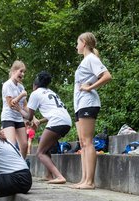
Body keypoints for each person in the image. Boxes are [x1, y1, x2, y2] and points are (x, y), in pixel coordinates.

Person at [72, 32, 112, 189]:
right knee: (82, 142)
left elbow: (107, 76)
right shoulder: (85, 61)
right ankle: (84, 179)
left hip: (88, 102)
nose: (76, 46)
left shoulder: (91, 59)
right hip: (80, 104)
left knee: (87, 142)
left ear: (83, 42)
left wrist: (90, 87)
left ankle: (90, 181)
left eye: (77, 42)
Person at [17, 71, 71, 184]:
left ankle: (59, 177)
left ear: (34, 85)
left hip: (57, 122)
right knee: (45, 146)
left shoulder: (35, 93)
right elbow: (54, 112)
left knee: (40, 152)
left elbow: (29, 116)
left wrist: (18, 109)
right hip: (66, 121)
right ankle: (49, 175)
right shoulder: (51, 92)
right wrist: (39, 122)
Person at [0, 60, 29, 159]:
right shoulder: (7, 85)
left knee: (24, 145)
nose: (22, 74)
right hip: (8, 117)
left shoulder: (21, 86)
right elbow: (11, 104)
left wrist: (32, 117)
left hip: (18, 118)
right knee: (11, 145)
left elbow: (25, 105)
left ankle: (22, 165)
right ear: (14, 71)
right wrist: (22, 95)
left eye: (23, 72)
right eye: (21, 71)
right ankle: (10, 168)